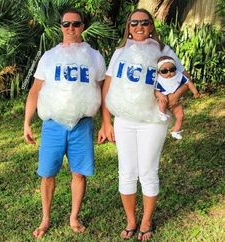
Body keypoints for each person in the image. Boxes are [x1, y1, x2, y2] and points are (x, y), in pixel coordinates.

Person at [98, 9, 190, 241]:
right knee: (126, 172)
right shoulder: (120, 52)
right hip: (124, 120)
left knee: (148, 171)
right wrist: (105, 121)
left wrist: (173, 97)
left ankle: (146, 221)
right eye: (134, 22)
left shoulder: (162, 50)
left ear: (151, 26)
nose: (139, 26)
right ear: (128, 26)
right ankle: (131, 220)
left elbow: (184, 78)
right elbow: (108, 86)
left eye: (144, 22)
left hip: (152, 121)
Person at [24, 9, 106, 239]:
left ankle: (74, 217)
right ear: (60, 26)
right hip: (53, 125)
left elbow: (102, 90)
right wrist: (27, 122)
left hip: (82, 124)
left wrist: (105, 123)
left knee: (79, 174)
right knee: (47, 174)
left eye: (76, 24)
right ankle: (45, 218)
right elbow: (35, 91)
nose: (71, 28)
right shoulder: (49, 57)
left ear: (83, 26)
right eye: (66, 24)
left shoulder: (95, 57)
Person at [155, 56, 199, 139]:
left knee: (180, 116)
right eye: (164, 71)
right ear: (159, 72)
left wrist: (195, 92)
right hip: (164, 100)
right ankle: (162, 113)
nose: (169, 73)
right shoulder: (159, 79)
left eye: (172, 69)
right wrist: (160, 95)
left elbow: (188, 83)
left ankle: (175, 131)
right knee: (162, 100)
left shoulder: (178, 75)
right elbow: (155, 91)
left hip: (176, 103)